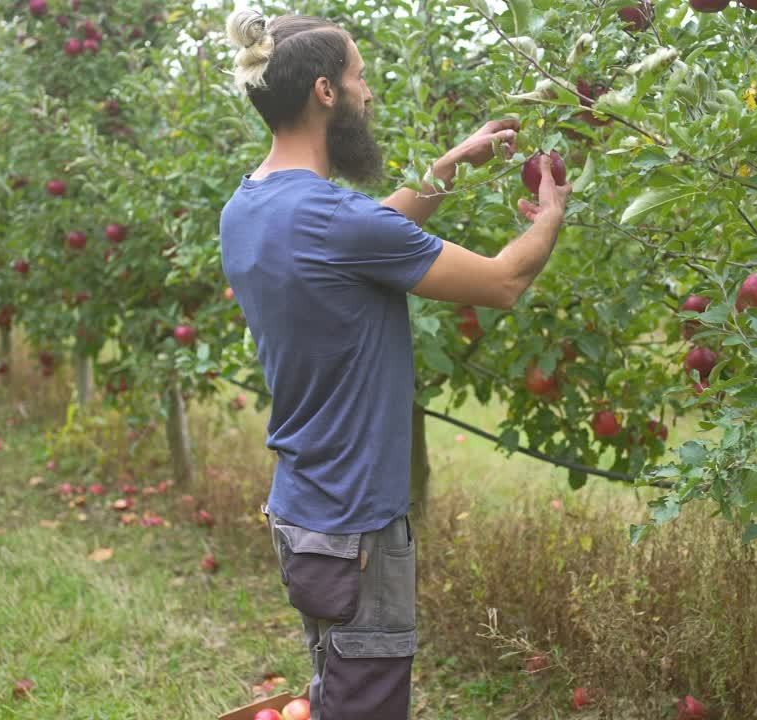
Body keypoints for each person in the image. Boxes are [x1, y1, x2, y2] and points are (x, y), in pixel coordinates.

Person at [218, 8, 571, 720]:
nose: (368, 92)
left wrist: (444, 169)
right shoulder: (336, 220)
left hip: (302, 513)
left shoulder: (249, 206)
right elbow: (502, 281)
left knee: (333, 690)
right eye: (359, 76)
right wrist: (551, 215)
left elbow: (363, 233)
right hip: (358, 529)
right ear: (324, 91)